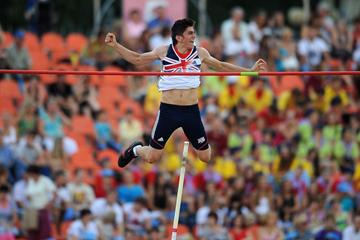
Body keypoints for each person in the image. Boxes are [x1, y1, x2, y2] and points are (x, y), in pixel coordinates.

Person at [105, 18, 267, 168]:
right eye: (190, 33)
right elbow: (138, 59)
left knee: (205, 156)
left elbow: (222, 66)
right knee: (152, 157)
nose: (193, 36)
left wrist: (250, 72)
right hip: (169, 111)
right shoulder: (164, 51)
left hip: (191, 111)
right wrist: (116, 46)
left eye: (194, 33)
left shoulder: (200, 52)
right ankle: (135, 150)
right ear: (179, 37)